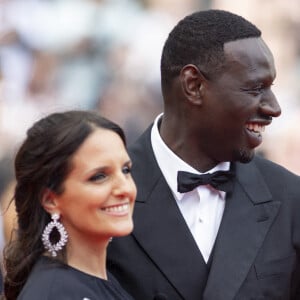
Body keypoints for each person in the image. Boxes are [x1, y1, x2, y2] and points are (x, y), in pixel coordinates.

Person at [107, 9, 300, 300]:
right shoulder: (104, 196)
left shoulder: (290, 198)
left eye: (271, 88)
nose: (274, 108)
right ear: (194, 86)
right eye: (256, 88)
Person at [2, 110, 136, 300]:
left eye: (126, 170)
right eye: (99, 176)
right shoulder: (55, 292)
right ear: (50, 200)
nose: (125, 188)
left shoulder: (101, 280)